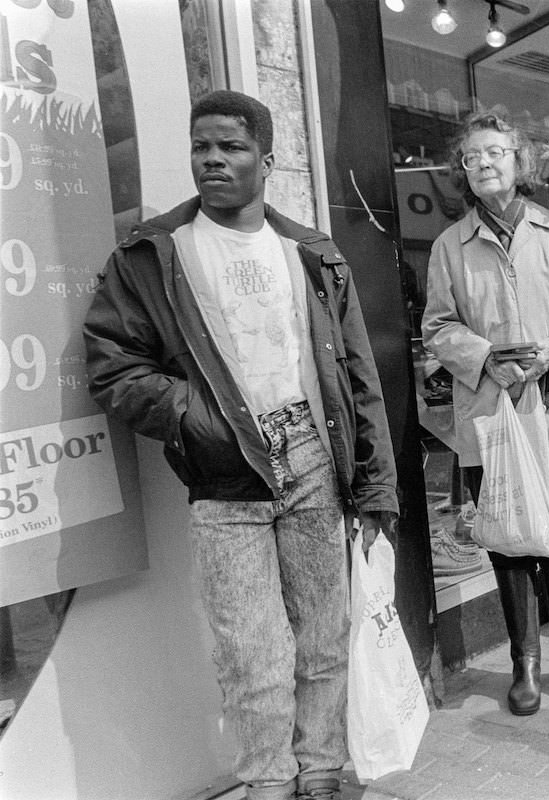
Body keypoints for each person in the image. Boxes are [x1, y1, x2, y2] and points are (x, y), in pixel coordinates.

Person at [83, 91, 398, 800]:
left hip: (314, 457)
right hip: (225, 477)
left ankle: (320, 776)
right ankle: (267, 784)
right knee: (252, 652)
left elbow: (355, 374)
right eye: (201, 147)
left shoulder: (310, 251)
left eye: (230, 146)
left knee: (323, 636)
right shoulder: (154, 253)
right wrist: (193, 414)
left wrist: (377, 485)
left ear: (268, 159)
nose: (213, 160)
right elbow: (112, 360)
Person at [421, 110, 549, 716]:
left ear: (519, 162)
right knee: (508, 539)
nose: (483, 164)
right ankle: (523, 664)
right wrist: (483, 359)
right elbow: (437, 325)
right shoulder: (449, 245)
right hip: (489, 411)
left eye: (496, 153)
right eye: (473, 157)